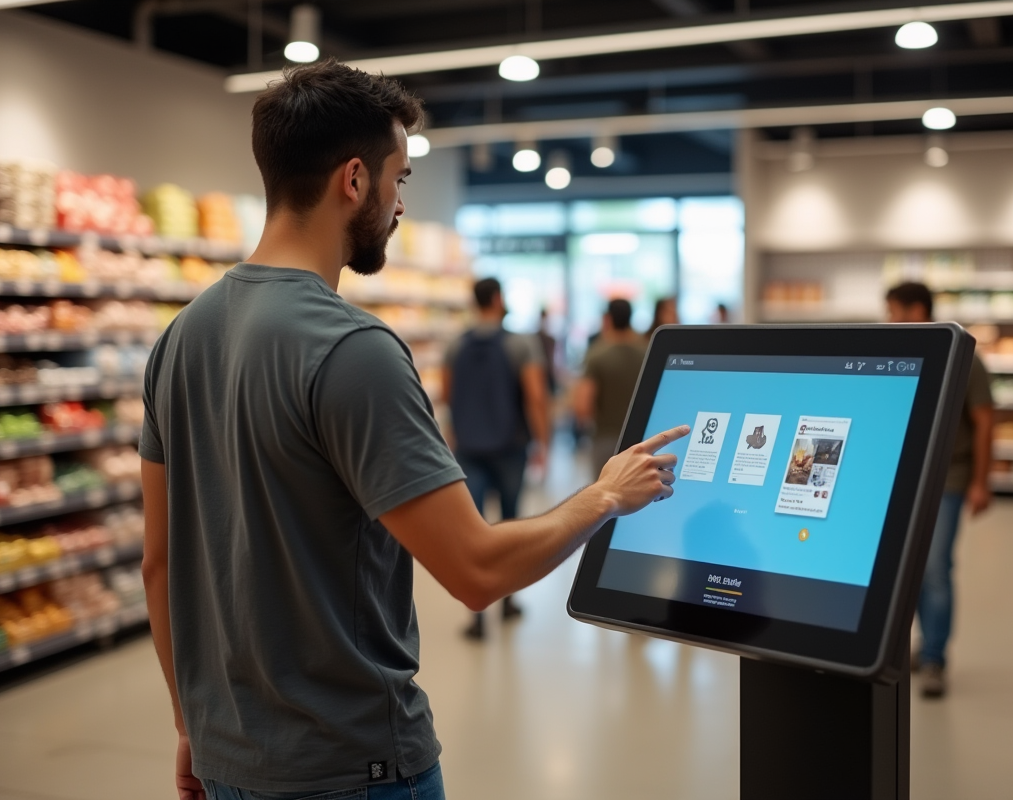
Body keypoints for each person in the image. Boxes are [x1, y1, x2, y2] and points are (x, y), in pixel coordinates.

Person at [140, 58, 689, 800]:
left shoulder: (179, 338)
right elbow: (476, 571)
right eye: (399, 179)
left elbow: (160, 563)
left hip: (226, 760)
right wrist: (605, 496)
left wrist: (187, 723)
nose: (401, 204)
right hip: (352, 768)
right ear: (354, 180)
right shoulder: (351, 348)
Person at [886, 282, 994, 699]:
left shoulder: (963, 355)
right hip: (906, 480)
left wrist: (981, 481)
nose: (890, 320)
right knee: (907, 568)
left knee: (934, 569)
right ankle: (922, 642)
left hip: (948, 479)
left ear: (917, 311)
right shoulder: (900, 355)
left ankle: (935, 658)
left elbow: (984, 421)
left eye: (895, 311)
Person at [442, 277, 551, 641]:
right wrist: (543, 443)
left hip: (469, 450)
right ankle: (508, 602)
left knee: (473, 532)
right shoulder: (521, 343)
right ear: (498, 299)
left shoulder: (456, 345)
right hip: (510, 448)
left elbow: (447, 394)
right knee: (509, 525)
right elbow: (535, 396)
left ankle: (476, 616)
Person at [575, 299, 646, 476]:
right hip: (642, 438)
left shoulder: (597, 355)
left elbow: (583, 406)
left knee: (605, 489)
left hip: (605, 438)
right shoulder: (647, 351)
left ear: (608, 319)